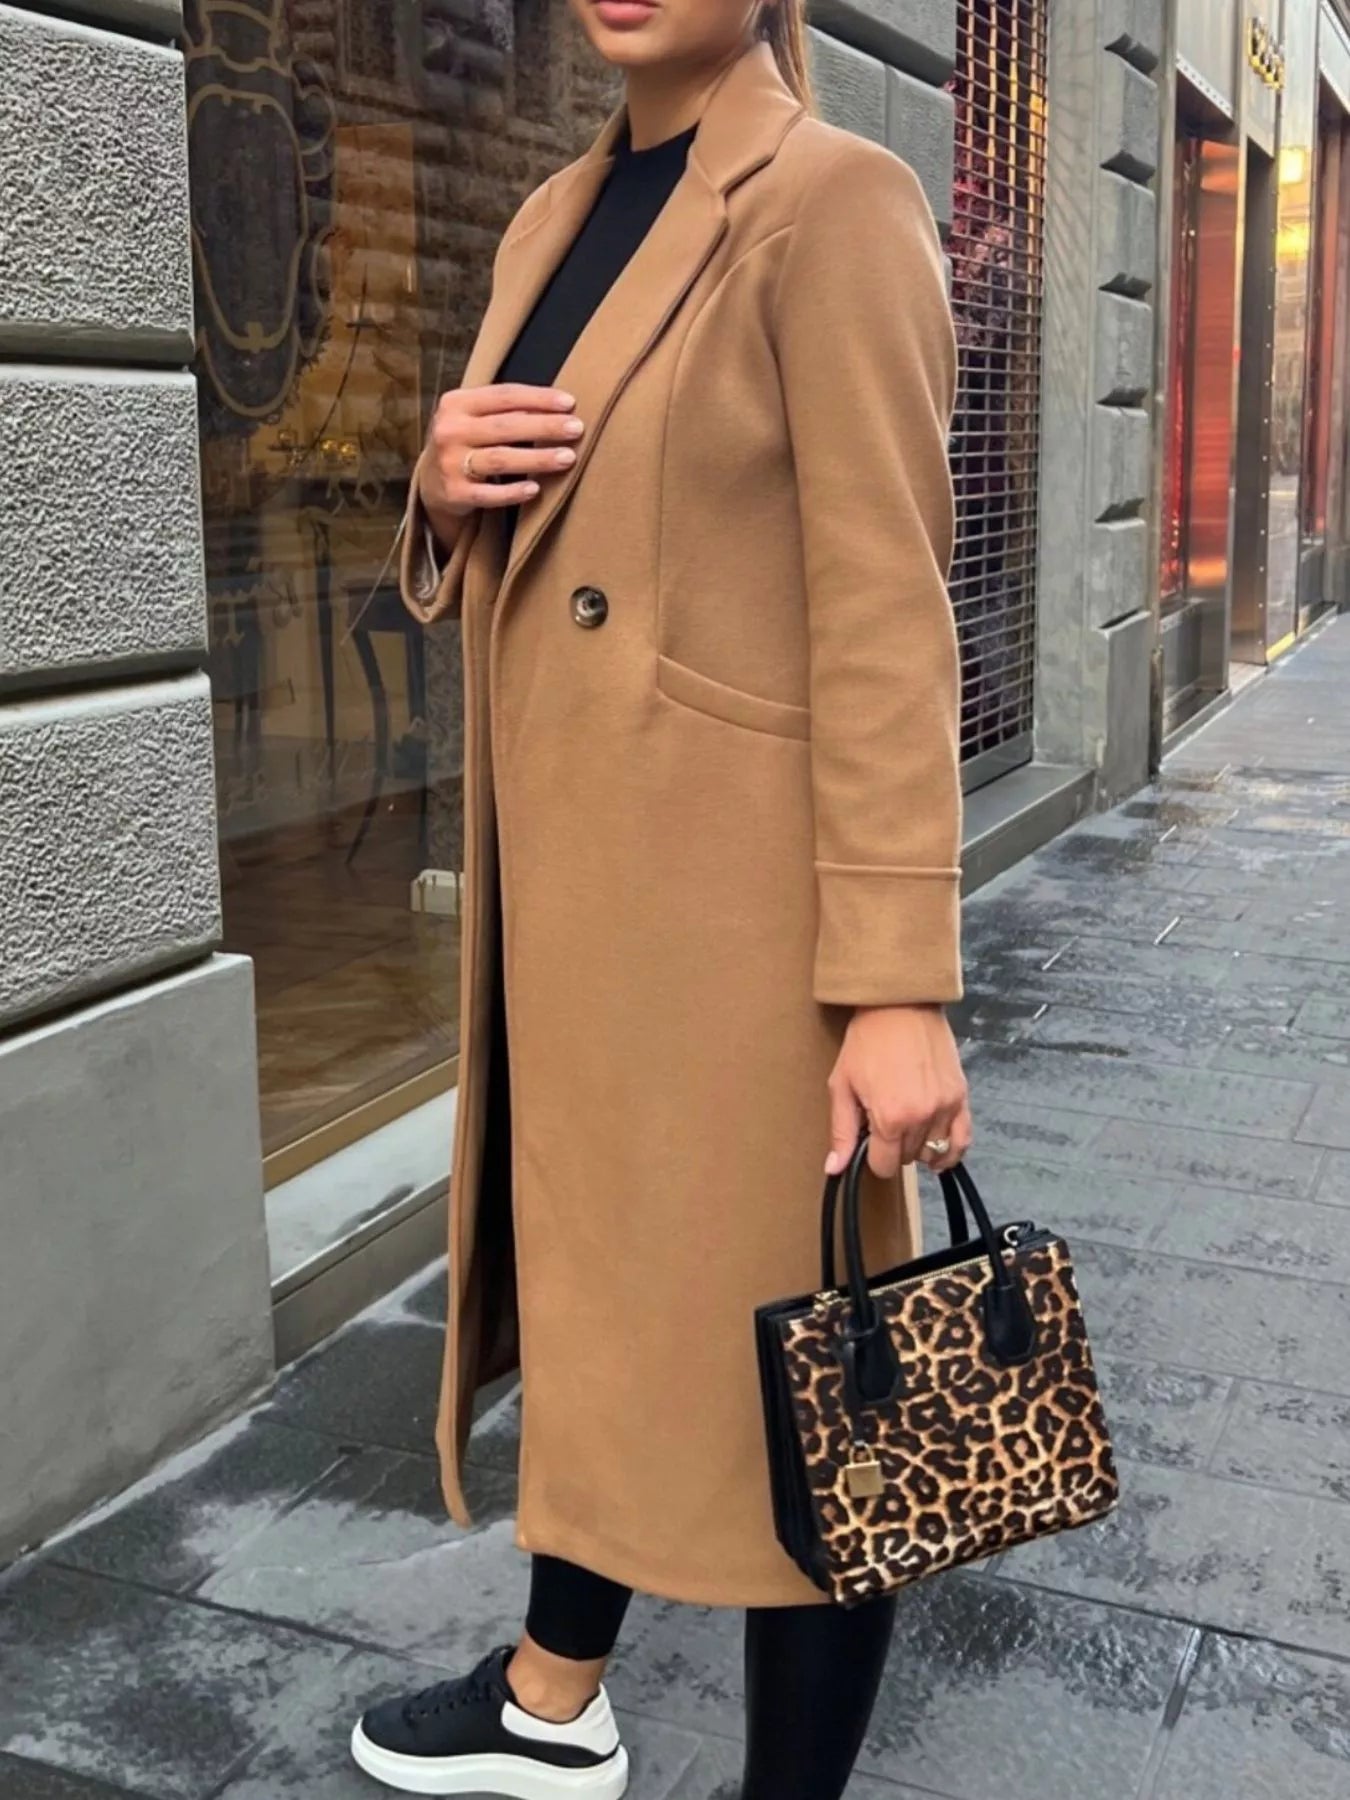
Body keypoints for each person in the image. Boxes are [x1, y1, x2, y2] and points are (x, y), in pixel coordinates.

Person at [352, 2, 971, 1794]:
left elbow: (887, 611)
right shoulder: (553, 218)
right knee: (610, 1324)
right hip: (578, 921)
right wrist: (437, 488)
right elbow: (547, 531)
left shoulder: (832, 201)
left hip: (742, 939)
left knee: (819, 1391)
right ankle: (553, 1700)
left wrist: (895, 982)